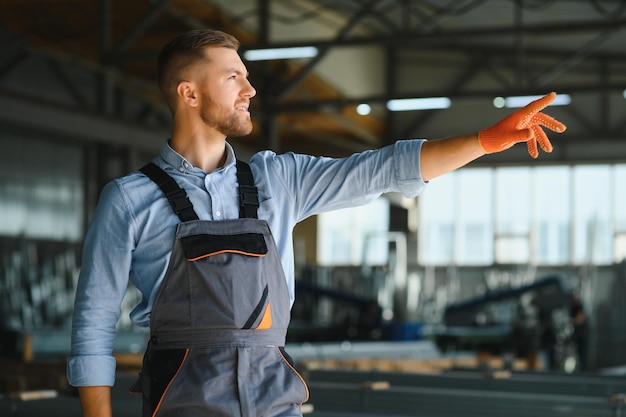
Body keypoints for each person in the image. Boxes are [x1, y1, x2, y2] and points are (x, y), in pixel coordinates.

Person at [66, 28, 566, 417]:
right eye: (232, 77)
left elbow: (382, 169)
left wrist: (483, 141)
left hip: (274, 399)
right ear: (189, 94)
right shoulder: (129, 200)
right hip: (180, 403)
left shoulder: (277, 180)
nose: (250, 88)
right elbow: (92, 321)